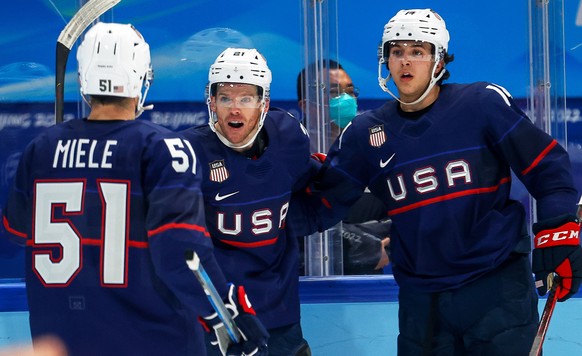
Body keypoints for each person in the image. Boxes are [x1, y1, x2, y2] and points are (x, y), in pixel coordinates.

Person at [296, 8, 582, 355]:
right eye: (396, 52)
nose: (405, 62)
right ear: (384, 60)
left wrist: (559, 232)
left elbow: (547, 167)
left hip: (496, 288)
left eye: (417, 51)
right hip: (422, 303)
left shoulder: (481, 104)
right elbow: (321, 207)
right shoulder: (364, 134)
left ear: (439, 60)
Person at [1, 23, 267, 356]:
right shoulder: (162, 147)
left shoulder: (40, 149)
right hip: (151, 340)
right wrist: (227, 317)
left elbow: (15, 231)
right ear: (141, 79)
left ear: (84, 81)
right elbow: (182, 251)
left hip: (57, 341)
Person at [181, 48, 312, 356]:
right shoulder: (188, 153)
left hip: (281, 317)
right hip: (217, 320)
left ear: (263, 103)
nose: (234, 109)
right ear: (211, 102)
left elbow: (317, 190)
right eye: (225, 98)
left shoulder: (288, 138)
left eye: (245, 98)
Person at [296, 60, 390, 275]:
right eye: (334, 91)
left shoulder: (377, 152)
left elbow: (402, 219)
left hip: (367, 285)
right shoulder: (288, 157)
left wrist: (366, 245)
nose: (346, 99)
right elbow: (289, 226)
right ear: (305, 104)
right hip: (304, 284)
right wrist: (359, 240)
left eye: (350, 91)